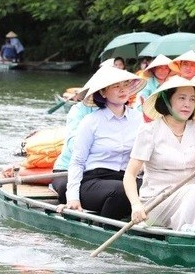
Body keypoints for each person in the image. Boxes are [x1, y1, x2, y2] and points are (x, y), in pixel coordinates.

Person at [123, 76, 195, 230]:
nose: (187, 104)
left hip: (190, 200)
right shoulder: (149, 131)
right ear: (167, 100)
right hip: (155, 203)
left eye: (192, 99)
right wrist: (135, 205)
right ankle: (191, 233)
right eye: (181, 98)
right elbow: (130, 174)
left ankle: (191, 231)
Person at [58, 67, 146, 219]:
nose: (122, 90)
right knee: (121, 191)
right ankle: (104, 228)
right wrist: (73, 197)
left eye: (125, 85)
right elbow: (77, 162)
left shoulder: (139, 119)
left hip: (126, 178)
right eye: (116, 86)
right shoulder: (91, 122)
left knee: (149, 190)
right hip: (94, 180)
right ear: (103, 92)